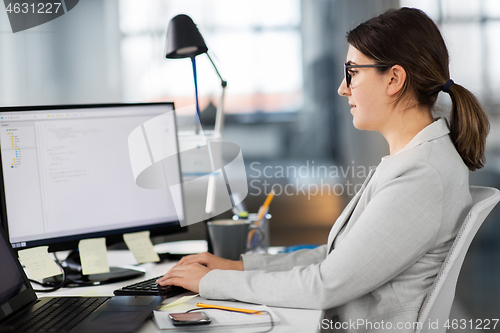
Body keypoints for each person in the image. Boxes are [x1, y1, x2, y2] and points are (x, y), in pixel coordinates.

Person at [157, 7, 489, 332]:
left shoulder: (421, 176)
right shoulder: (416, 160)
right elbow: (338, 258)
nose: (343, 88)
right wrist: (238, 266)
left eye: (353, 73)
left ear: (394, 78)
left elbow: (325, 285)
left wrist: (213, 282)